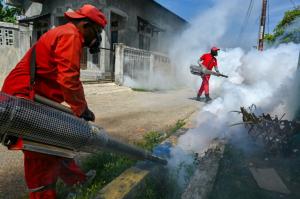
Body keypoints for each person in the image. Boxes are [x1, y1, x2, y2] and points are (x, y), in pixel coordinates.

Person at [1, 4, 107, 199]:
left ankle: (78, 182)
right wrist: (81, 109)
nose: (97, 37)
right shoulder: (71, 35)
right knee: (39, 152)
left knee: (58, 139)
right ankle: (44, 195)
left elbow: (69, 77)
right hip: (24, 95)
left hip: (34, 95)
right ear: (85, 24)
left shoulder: (66, 33)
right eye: (97, 31)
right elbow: (69, 79)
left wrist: (83, 106)